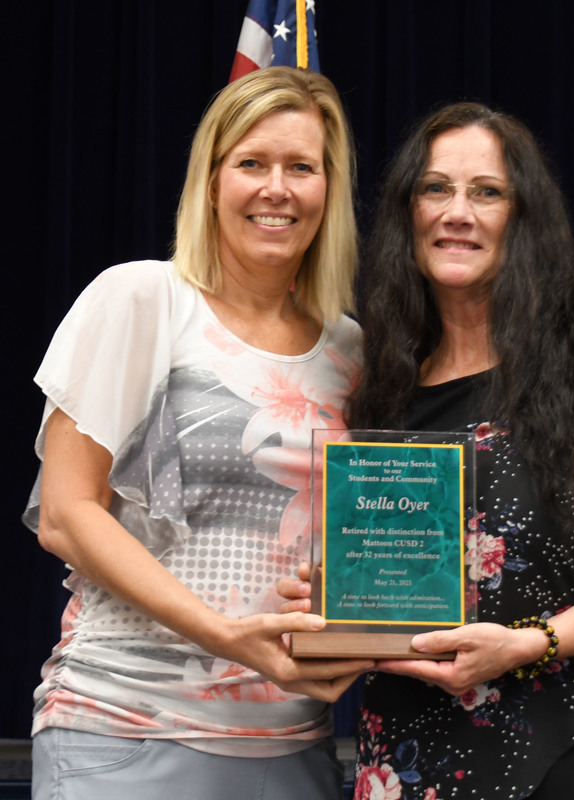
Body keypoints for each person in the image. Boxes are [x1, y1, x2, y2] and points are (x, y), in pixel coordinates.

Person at [282, 102, 574, 800]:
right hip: (408, 759)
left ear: (525, 218)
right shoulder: (382, 391)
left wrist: (531, 641)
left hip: (568, 759)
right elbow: (395, 583)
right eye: (436, 188)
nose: (457, 212)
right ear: (408, 213)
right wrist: (338, 602)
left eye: (487, 192)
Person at [22, 66, 374, 800]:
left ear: (328, 189)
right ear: (211, 182)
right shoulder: (142, 298)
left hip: (294, 744)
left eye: (301, 167)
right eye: (251, 163)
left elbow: (355, 541)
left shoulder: (350, 350)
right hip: (127, 729)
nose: (277, 188)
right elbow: (66, 513)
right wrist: (225, 635)